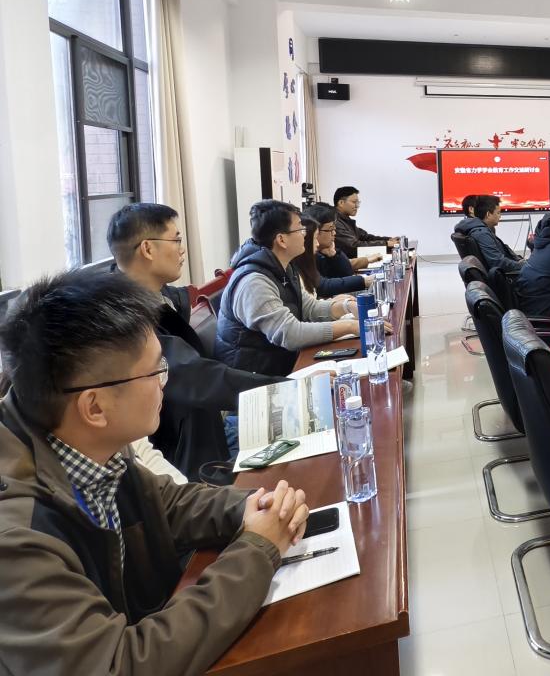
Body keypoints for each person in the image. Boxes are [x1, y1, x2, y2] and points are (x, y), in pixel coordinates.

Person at [0, 270, 310, 675]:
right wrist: (257, 549)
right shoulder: (16, 541)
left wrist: (256, 506)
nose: (165, 381)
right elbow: (118, 664)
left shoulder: (82, 440)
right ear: (94, 407)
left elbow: (165, 502)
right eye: (154, 371)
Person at [107, 203, 283, 479]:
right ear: (148, 249)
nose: (182, 250)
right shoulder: (121, 318)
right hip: (182, 459)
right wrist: (286, 388)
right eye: (176, 240)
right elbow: (194, 376)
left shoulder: (160, 296)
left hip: (207, 428)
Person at [217, 200, 361, 376]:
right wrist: (349, 326)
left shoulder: (285, 266)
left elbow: (309, 308)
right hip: (256, 378)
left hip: (281, 363)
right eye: (300, 229)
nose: (305, 235)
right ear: (282, 240)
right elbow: (290, 334)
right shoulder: (254, 282)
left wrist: (348, 307)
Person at [298, 203, 370, 298]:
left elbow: (347, 274)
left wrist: (334, 255)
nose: (334, 233)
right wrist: (363, 281)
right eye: (330, 229)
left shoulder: (324, 251)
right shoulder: (304, 255)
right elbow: (322, 286)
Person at [463, 195, 525, 274]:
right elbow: (498, 262)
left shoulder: (480, 230)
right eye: (498, 213)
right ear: (488, 214)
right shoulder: (482, 234)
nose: (500, 216)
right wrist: (523, 266)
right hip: (507, 275)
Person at [332, 186, 398, 260]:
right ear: (341, 203)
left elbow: (366, 237)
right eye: (354, 202)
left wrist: (389, 240)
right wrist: (386, 243)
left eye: (358, 202)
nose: (357, 206)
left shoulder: (346, 220)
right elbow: (353, 246)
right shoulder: (335, 221)